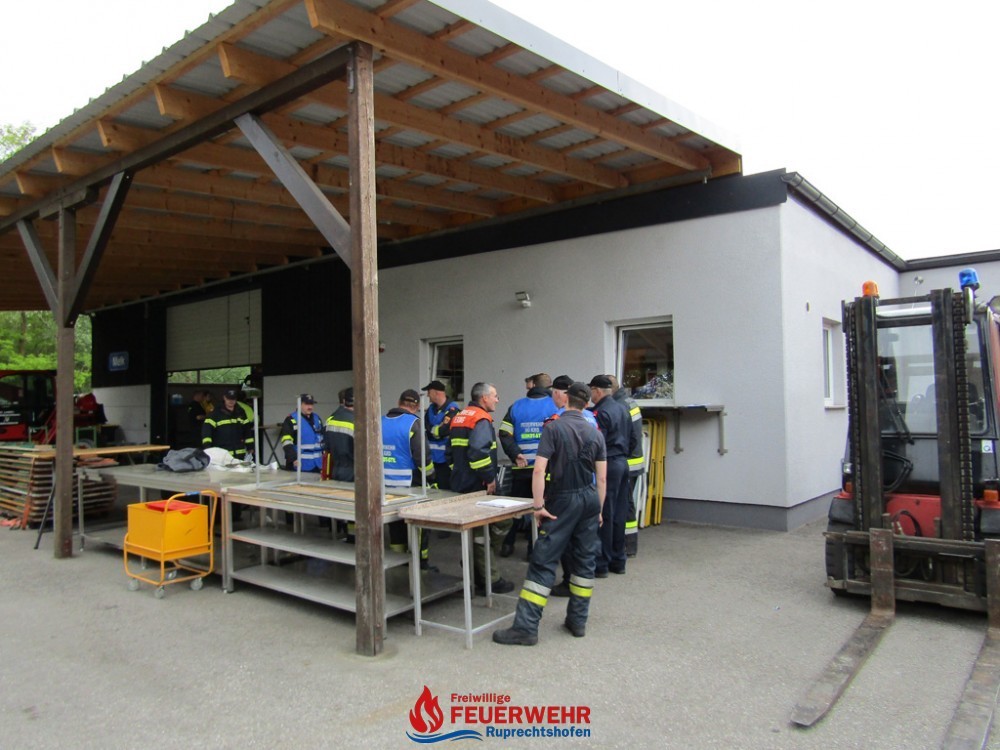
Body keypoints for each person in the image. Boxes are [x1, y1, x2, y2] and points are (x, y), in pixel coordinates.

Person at [493, 382, 607, 646]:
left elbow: (538, 470)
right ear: (587, 404)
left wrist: (537, 506)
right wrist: (599, 510)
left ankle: (525, 628)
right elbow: (602, 478)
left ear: (566, 399)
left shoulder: (553, 428)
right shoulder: (595, 433)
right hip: (590, 498)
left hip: (562, 499)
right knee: (584, 562)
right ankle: (578, 621)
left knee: (543, 561)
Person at [447, 382, 515, 595]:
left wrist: (459, 473)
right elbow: (478, 452)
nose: (497, 400)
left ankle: (476, 568)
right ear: (484, 398)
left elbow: (450, 454)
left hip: (461, 484)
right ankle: (489, 578)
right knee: (498, 524)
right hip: (479, 485)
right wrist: (489, 479)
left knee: (475, 532)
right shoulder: (481, 419)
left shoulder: (460, 417)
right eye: (495, 396)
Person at [499, 372, 558, 558]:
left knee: (516, 510)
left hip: (521, 468)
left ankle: (507, 545)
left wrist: (515, 453)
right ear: (549, 388)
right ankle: (533, 550)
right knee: (540, 509)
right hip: (545, 470)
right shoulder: (555, 406)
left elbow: (504, 433)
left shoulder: (516, 406)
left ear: (533, 386)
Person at [383, 389, 436, 569]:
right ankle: (420, 562)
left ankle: (398, 560)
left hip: (385, 484)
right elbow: (422, 457)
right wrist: (431, 478)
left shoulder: (380, 422)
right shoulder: (414, 424)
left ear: (399, 402)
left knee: (395, 522)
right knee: (418, 524)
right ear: (417, 406)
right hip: (410, 484)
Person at [588, 375, 632, 576]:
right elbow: (633, 439)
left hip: (609, 464)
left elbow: (599, 444)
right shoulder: (622, 408)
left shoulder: (600, 412)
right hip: (622, 463)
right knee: (620, 514)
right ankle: (618, 560)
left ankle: (602, 563)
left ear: (597, 391)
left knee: (605, 513)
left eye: (591, 390)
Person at [609, 374, 644, 557]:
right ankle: (629, 544)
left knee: (625, 504)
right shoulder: (629, 401)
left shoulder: (619, 406)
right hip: (634, 461)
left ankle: (628, 545)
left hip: (627, 462)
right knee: (627, 503)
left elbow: (623, 437)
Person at [422, 380, 460, 490]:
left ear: (436, 393)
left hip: (446, 460)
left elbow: (444, 430)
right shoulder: (431, 409)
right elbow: (426, 427)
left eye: (429, 392)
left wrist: (436, 431)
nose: (427, 395)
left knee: (445, 489)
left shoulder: (453, 408)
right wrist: (437, 431)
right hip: (432, 459)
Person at [202, 388, 254, 460]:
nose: (231, 401)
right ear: (224, 398)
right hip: (222, 454)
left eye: (233, 399)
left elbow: (247, 430)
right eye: (229, 399)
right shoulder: (215, 413)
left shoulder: (241, 412)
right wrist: (207, 447)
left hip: (239, 454)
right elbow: (207, 431)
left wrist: (250, 446)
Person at [279, 393, 325, 472]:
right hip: (299, 465)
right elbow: (286, 442)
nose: (310, 407)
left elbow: (322, 439)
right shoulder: (291, 420)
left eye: (311, 404)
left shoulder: (317, 418)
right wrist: (293, 458)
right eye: (307, 404)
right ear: (299, 405)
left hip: (318, 465)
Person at [324, 387, 355, 481]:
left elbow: (326, 447)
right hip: (353, 473)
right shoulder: (358, 422)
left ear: (344, 401)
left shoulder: (330, 420)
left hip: (336, 471)